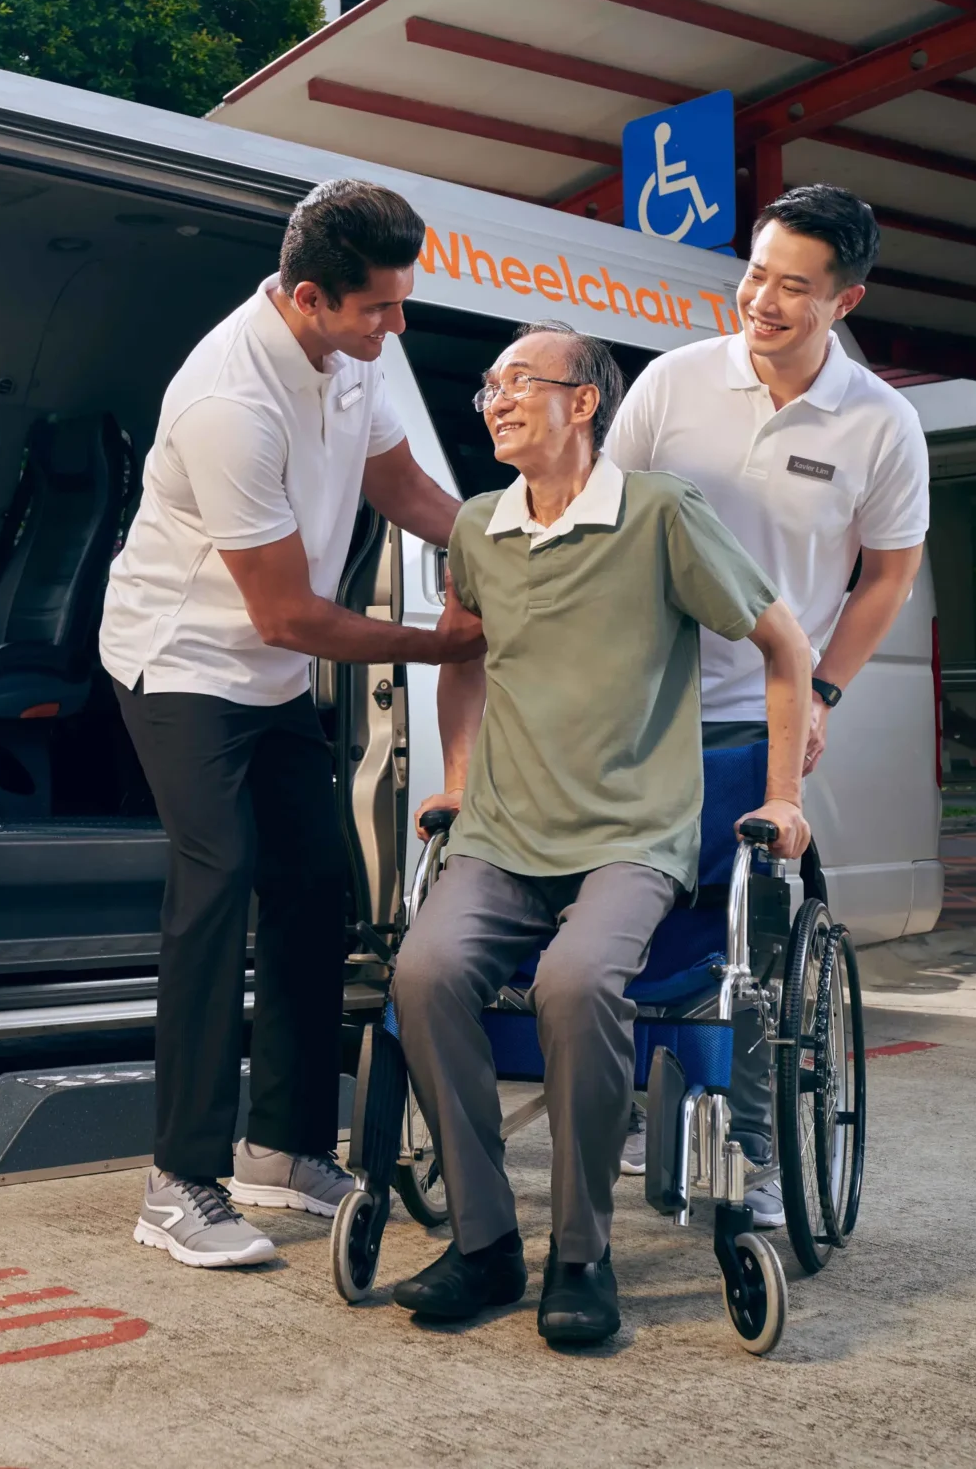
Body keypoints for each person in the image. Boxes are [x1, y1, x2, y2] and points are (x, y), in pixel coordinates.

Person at [392, 323, 815, 1347]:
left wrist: (783, 791)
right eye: (487, 387)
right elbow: (462, 654)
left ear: (582, 403)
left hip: (631, 836)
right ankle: (487, 1243)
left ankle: (580, 1254)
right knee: (422, 974)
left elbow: (782, 645)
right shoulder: (479, 526)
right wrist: (457, 781)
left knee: (574, 984)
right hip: (500, 834)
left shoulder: (660, 512)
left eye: (517, 383)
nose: (493, 400)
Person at [101, 179, 481, 1270]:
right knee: (216, 886)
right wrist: (436, 644)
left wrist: (504, 545)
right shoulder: (230, 399)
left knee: (316, 892)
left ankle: (284, 1148)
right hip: (181, 663)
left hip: (265, 676)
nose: (396, 327)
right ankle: (177, 1183)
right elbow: (289, 613)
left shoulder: (353, 355)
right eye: (378, 309)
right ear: (308, 297)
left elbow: (400, 481)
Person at [602, 183, 929, 1225]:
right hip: (634, 711)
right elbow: (600, 522)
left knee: (757, 950)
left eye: (794, 286)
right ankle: (606, 1104)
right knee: (605, 919)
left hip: (760, 713)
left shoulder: (881, 424)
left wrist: (823, 684)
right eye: (754, 274)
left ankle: (755, 1159)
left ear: (845, 300)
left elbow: (886, 574)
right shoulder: (669, 383)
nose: (763, 300)